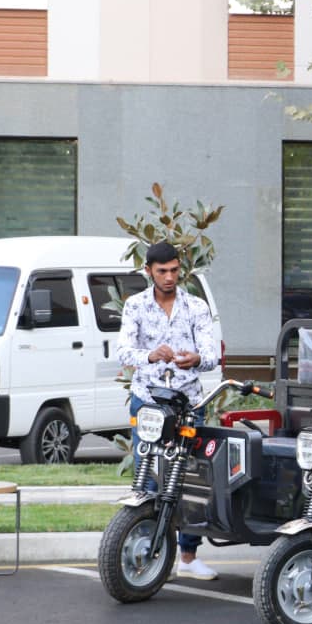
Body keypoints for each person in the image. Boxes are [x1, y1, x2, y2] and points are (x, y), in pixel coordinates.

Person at [116, 242, 220, 580]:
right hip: (148, 401)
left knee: (190, 476)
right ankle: (150, 553)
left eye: (174, 270)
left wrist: (197, 358)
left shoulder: (196, 307)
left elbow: (212, 354)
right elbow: (123, 351)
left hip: (187, 402)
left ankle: (188, 557)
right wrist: (149, 355)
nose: (169, 277)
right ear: (149, 271)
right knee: (148, 475)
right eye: (162, 271)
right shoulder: (135, 305)